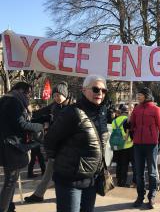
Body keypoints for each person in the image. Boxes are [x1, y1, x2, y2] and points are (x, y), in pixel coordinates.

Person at [44, 75, 109, 212]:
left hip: (91, 180)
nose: (100, 93)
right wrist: (64, 162)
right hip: (70, 180)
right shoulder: (72, 112)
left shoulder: (101, 113)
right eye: (96, 89)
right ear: (84, 90)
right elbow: (50, 139)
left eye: (104, 91)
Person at [24, 81, 73, 203]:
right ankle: (39, 194)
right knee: (49, 170)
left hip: (69, 146)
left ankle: (68, 195)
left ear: (65, 94)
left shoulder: (73, 108)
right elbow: (40, 113)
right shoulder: (54, 106)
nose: (56, 98)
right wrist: (28, 114)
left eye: (58, 95)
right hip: (55, 145)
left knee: (65, 173)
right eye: (54, 96)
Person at [0, 82, 44, 212]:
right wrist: (40, 127)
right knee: (11, 180)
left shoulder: (4, 99)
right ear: (20, 90)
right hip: (12, 145)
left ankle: (9, 206)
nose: (29, 96)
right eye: (28, 92)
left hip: (5, 144)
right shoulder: (14, 102)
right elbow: (21, 124)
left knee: (11, 179)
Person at [130, 87, 160, 209]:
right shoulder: (136, 109)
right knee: (138, 173)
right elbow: (132, 125)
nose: (138, 97)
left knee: (152, 172)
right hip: (138, 144)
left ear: (147, 96)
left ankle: (152, 196)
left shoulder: (156, 109)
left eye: (140, 95)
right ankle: (140, 196)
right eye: (138, 95)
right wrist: (127, 124)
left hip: (151, 145)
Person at [111, 105, 136, 187]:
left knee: (121, 165)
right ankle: (135, 181)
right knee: (134, 165)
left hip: (119, 146)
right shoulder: (128, 120)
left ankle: (121, 182)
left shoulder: (114, 121)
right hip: (129, 145)